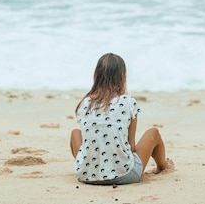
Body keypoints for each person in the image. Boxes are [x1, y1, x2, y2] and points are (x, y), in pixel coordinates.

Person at [70, 53, 173, 185]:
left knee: (75, 133)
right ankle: (162, 166)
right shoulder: (128, 102)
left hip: (85, 176)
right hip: (124, 175)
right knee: (153, 133)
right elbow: (130, 146)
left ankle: (90, 167)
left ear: (96, 75)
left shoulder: (85, 103)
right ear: (122, 77)